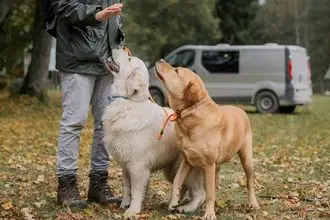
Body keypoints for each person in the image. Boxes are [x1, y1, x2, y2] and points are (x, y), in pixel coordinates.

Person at [51, 0, 125, 208]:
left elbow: (114, 18)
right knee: (74, 122)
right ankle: (66, 184)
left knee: (105, 124)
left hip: (107, 61)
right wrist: (96, 14)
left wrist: (118, 45)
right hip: (77, 59)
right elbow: (62, 6)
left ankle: (98, 183)